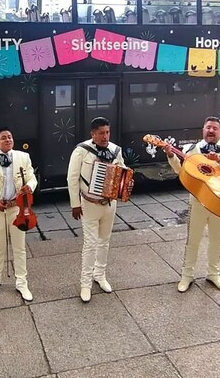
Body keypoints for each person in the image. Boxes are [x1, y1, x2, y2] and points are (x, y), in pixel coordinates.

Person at [162, 116, 220, 293]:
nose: (211, 130)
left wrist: (219, 159)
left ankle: (213, 274)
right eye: (208, 127)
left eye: (215, 128)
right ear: (203, 130)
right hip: (198, 201)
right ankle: (186, 275)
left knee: (216, 240)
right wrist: (171, 156)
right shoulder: (192, 149)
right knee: (193, 240)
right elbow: (181, 171)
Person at [68, 117, 127, 303]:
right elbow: (72, 178)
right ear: (92, 134)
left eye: (107, 132)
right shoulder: (82, 151)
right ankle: (85, 284)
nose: (105, 136)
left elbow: (123, 171)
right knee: (90, 244)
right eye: (101, 133)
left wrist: (125, 181)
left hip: (109, 204)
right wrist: (74, 203)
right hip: (89, 204)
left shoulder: (115, 150)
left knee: (105, 241)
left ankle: (99, 275)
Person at [0, 127, 37, 302]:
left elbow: (32, 178)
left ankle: (22, 283)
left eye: (10, 137)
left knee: (19, 247)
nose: (8, 140)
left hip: (17, 208)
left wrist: (29, 187)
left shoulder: (23, 157)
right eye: (4, 138)